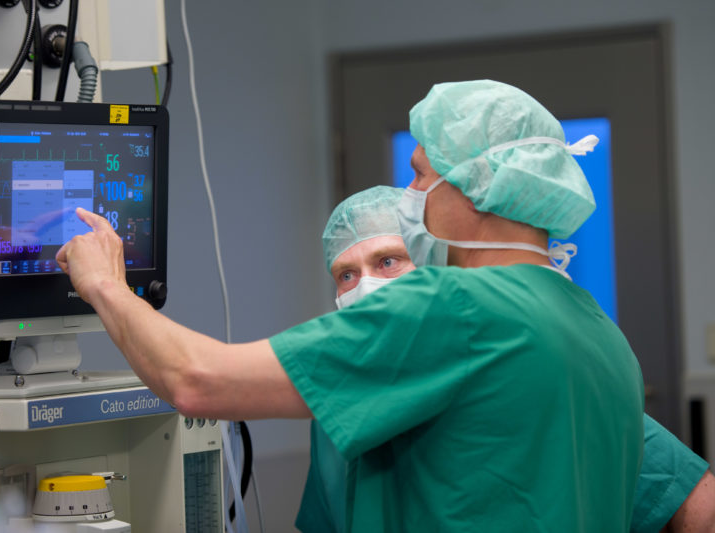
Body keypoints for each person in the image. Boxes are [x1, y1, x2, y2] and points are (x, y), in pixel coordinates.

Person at [57, 79, 645, 531]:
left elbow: (195, 380)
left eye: (420, 177)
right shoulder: (596, 329)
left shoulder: (454, 307)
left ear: (478, 185)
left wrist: (107, 284)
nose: (410, 198)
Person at [306, 184, 714, 533]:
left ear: (433, 260)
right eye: (346, 275)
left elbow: (697, 503)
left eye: (388, 261)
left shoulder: (509, 366)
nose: (366, 288)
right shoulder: (335, 409)